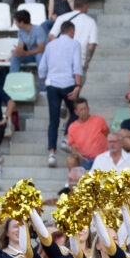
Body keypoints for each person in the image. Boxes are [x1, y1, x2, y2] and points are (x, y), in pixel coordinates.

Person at [38, 20, 83, 167]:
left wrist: (45, 81)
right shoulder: (74, 44)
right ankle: (65, 138)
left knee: (53, 120)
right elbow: (77, 66)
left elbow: (42, 67)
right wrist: (78, 85)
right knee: (76, 112)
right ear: (71, 31)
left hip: (52, 84)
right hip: (68, 83)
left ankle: (51, 153)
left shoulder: (50, 45)